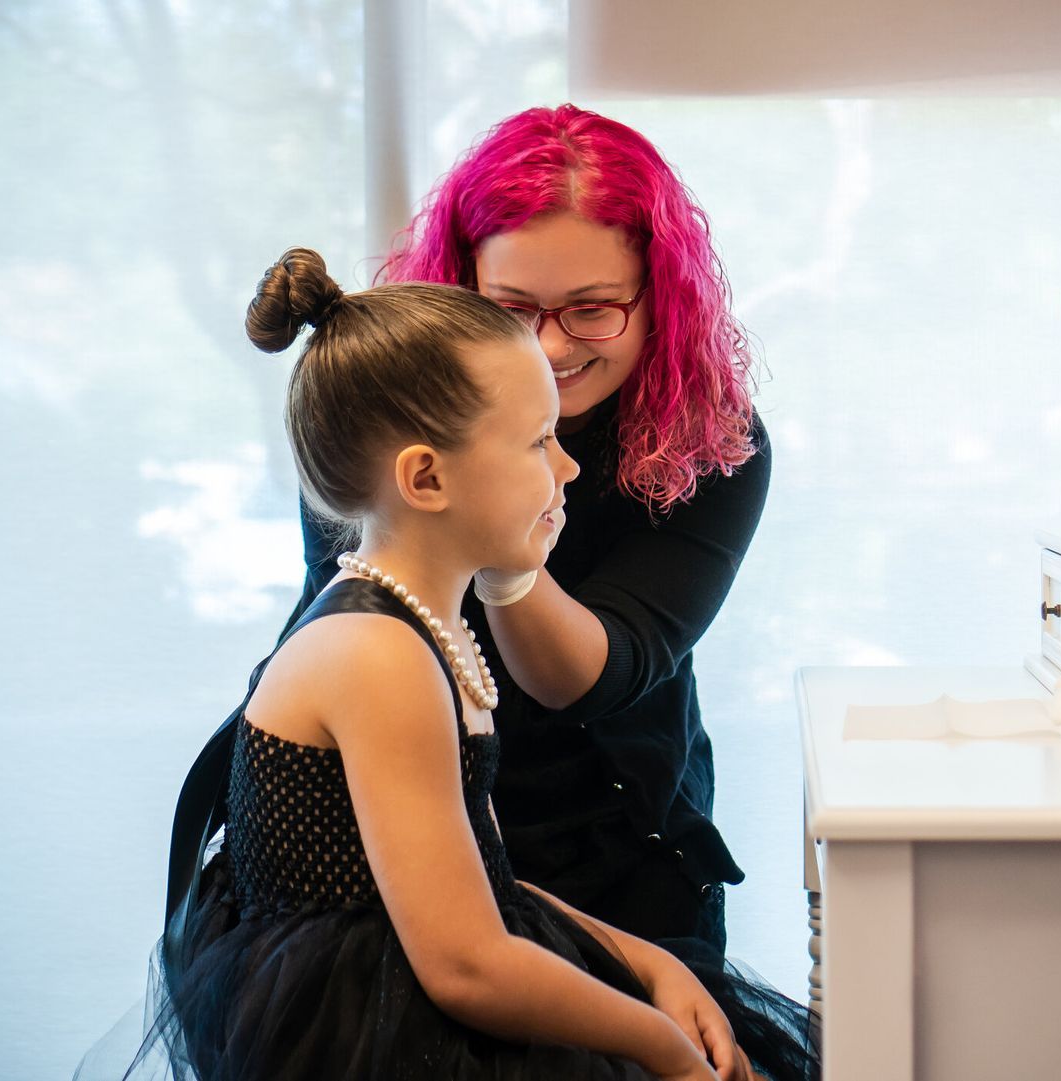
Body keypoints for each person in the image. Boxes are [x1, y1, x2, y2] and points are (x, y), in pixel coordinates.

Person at [94, 249, 815, 1081]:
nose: (568, 467)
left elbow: (482, 872)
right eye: (538, 442)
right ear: (426, 477)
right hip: (373, 1030)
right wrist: (662, 1046)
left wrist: (652, 964)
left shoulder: (424, 625)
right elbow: (467, 964)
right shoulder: (374, 655)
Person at [273, 104, 771, 955]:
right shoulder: (390, 419)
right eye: (509, 307)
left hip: (617, 843)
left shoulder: (714, 440)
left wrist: (507, 556)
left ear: (660, 299)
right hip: (398, 832)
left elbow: (592, 676)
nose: (546, 345)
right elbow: (369, 629)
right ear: (460, 285)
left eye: (591, 309)